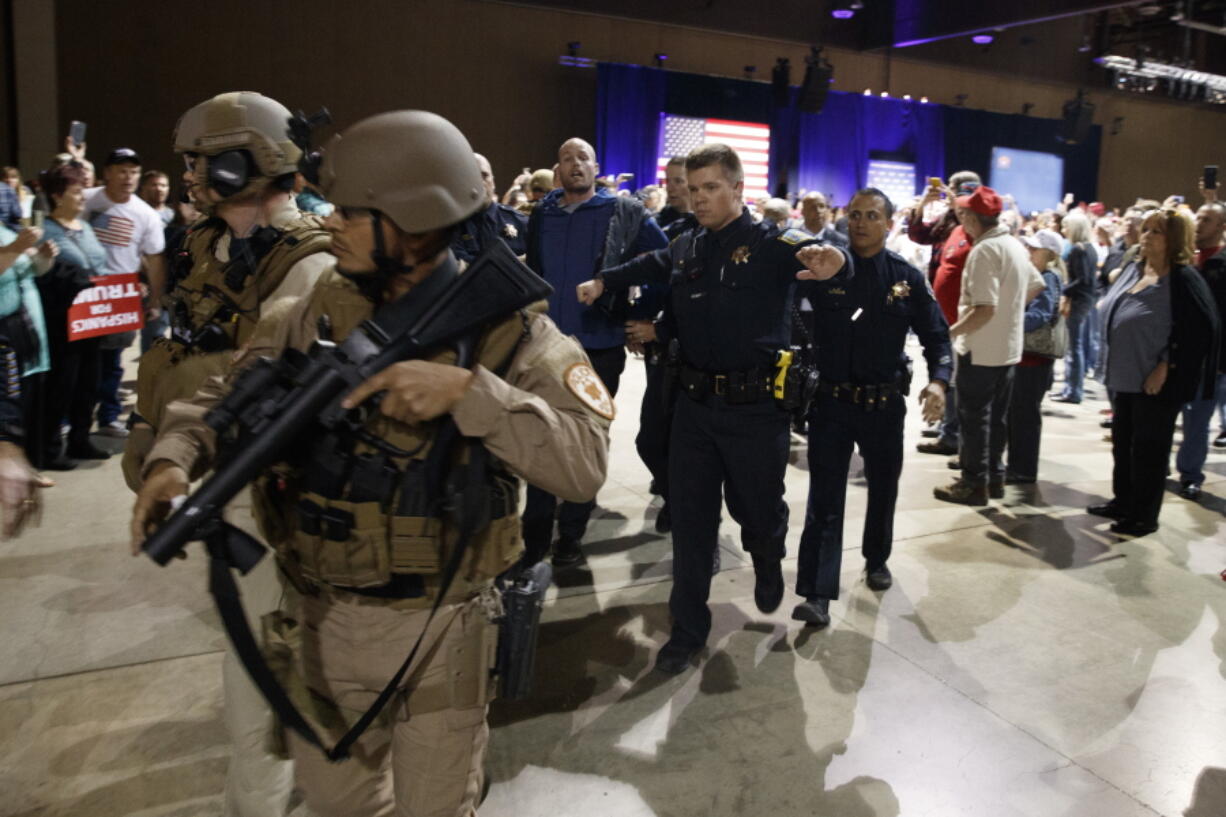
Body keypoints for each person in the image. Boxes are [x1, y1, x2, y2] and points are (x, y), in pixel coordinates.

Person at [131, 109, 610, 817]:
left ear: (413, 223)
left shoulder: (512, 331)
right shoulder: (320, 304)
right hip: (320, 619)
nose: (330, 224)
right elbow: (230, 386)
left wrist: (472, 395)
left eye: (353, 214)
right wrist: (174, 459)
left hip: (439, 628)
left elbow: (584, 465)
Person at [124, 91, 334, 817]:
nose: (188, 176)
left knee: (262, 681)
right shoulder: (214, 247)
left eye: (202, 163)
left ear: (246, 162)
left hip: (274, 496)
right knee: (248, 663)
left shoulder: (309, 263)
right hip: (222, 487)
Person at [576, 142, 849, 673]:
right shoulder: (686, 247)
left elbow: (819, 258)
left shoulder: (772, 243)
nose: (698, 199)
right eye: (693, 189)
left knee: (757, 512)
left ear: (737, 189)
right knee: (692, 525)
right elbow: (650, 263)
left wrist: (833, 263)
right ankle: (687, 630)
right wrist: (606, 280)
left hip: (755, 413)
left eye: (710, 189)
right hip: (695, 410)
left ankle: (767, 557)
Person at [791, 188, 951, 628]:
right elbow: (782, 244)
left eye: (872, 215)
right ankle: (817, 593)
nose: (861, 222)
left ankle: (876, 557)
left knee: (884, 488)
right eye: (855, 214)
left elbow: (937, 336)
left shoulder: (905, 277)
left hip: (882, 405)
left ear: (889, 223)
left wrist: (940, 381)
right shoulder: (824, 264)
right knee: (824, 499)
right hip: (832, 403)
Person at [521, 136, 667, 567]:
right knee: (541, 438)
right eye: (566, 158)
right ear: (557, 168)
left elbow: (664, 262)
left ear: (595, 166)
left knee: (583, 442)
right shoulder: (543, 213)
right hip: (546, 349)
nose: (575, 164)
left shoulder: (623, 211)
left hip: (599, 348)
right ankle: (533, 537)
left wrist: (640, 313)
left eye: (582, 157)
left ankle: (570, 534)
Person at [1089, 208, 1219, 534]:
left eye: (1156, 231)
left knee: (1149, 450)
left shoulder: (1183, 278)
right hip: (1124, 376)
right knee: (1124, 445)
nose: (1146, 236)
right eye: (1145, 229)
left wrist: (1166, 364)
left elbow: (1201, 329)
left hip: (1155, 382)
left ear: (1174, 239)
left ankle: (1143, 516)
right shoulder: (1136, 268)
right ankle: (1123, 501)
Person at [934, 186, 1044, 505]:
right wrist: (1009, 313)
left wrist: (950, 333)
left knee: (974, 418)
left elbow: (984, 309)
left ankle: (973, 483)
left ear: (971, 218)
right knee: (996, 418)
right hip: (1008, 349)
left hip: (981, 350)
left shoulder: (984, 250)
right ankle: (994, 477)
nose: (961, 219)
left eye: (964, 214)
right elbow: (1036, 284)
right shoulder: (1013, 244)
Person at [83, 148, 167, 437]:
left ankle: (107, 417)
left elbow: (155, 259)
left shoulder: (145, 214)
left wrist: (155, 300)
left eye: (133, 171)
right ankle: (71, 418)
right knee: (78, 360)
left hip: (120, 293)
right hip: (83, 292)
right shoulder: (86, 200)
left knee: (112, 362)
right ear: (106, 172)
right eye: (121, 170)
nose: (127, 177)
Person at [38, 163, 110, 468]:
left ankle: (80, 439)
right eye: (76, 192)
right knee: (61, 386)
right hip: (62, 321)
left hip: (93, 319)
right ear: (57, 196)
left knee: (89, 383)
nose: (83, 198)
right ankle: (51, 448)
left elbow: (100, 268)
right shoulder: (45, 232)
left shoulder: (87, 227)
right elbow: (46, 276)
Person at [910, 172, 981, 456]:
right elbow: (919, 234)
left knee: (954, 373)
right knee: (944, 367)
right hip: (943, 307)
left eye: (953, 190)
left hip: (961, 311)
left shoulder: (972, 223)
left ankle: (951, 432)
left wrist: (959, 206)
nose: (948, 195)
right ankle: (945, 425)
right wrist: (923, 206)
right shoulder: (950, 223)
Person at [1172, 201, 1226, 499]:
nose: (1199, 223)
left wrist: (1221, 361)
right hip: (1175, 353)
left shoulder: (1222, 263)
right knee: (1163, 415)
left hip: (1209, 360)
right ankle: (1155, 466)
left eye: (1207, 220)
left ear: (1221, 227)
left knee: (1197, 421)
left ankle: (1191, 474)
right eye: (1198, 218)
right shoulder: (1180, 258)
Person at [1005, 229, 1066, 485]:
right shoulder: (1038, 275)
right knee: (1018, 413)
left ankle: (1023, 469)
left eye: (1034, 249)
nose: (1028, 252)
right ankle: (1017, 465)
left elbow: (1040, 316)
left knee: (1025, 415)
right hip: (1026, 357)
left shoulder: (1048, 278)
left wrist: (1008, 321)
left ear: (1049, 254)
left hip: (1034, 359)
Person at [1052, 211, 1097, 403]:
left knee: (1073, 347)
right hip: (1085, 299)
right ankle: (1071, 389)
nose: (1063, 230)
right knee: (1075, 346)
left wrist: (1063, 290)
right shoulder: (1090, 248)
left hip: (1078, 300)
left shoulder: (1078, 249)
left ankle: (1073, 391)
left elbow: (1082, 279)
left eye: (1066, 226)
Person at [451, 153, 527, 263]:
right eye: (473, 176)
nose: (481, 182)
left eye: (485, 176)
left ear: (493, 182)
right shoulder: (451, 226)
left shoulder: (519, 222)